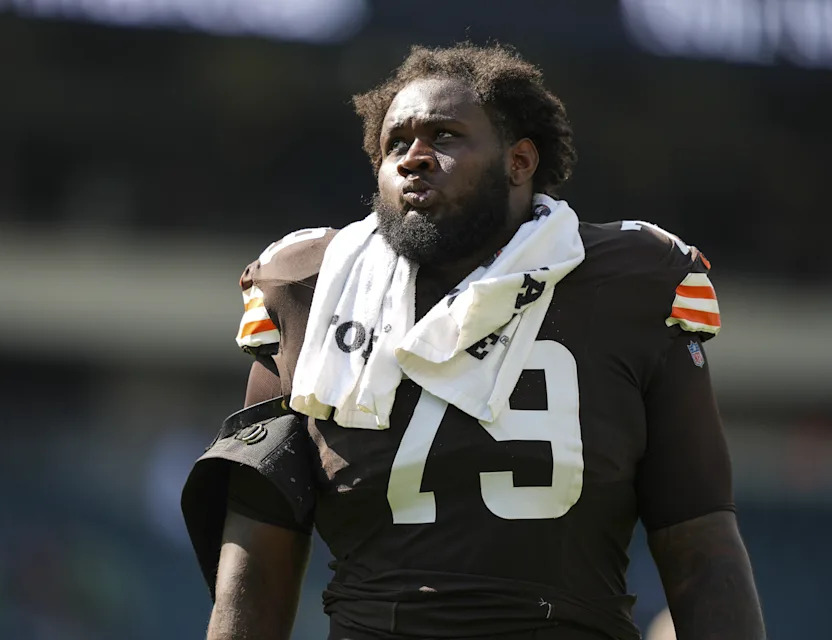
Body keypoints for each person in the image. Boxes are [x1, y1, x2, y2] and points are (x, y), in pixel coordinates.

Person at [182, 43, 766, 640]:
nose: (413, 158)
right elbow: (259, 544)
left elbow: (700, 543)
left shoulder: (634, 282)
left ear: (519, 162)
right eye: (394, 144)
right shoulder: (311, 288)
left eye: (445, 135)